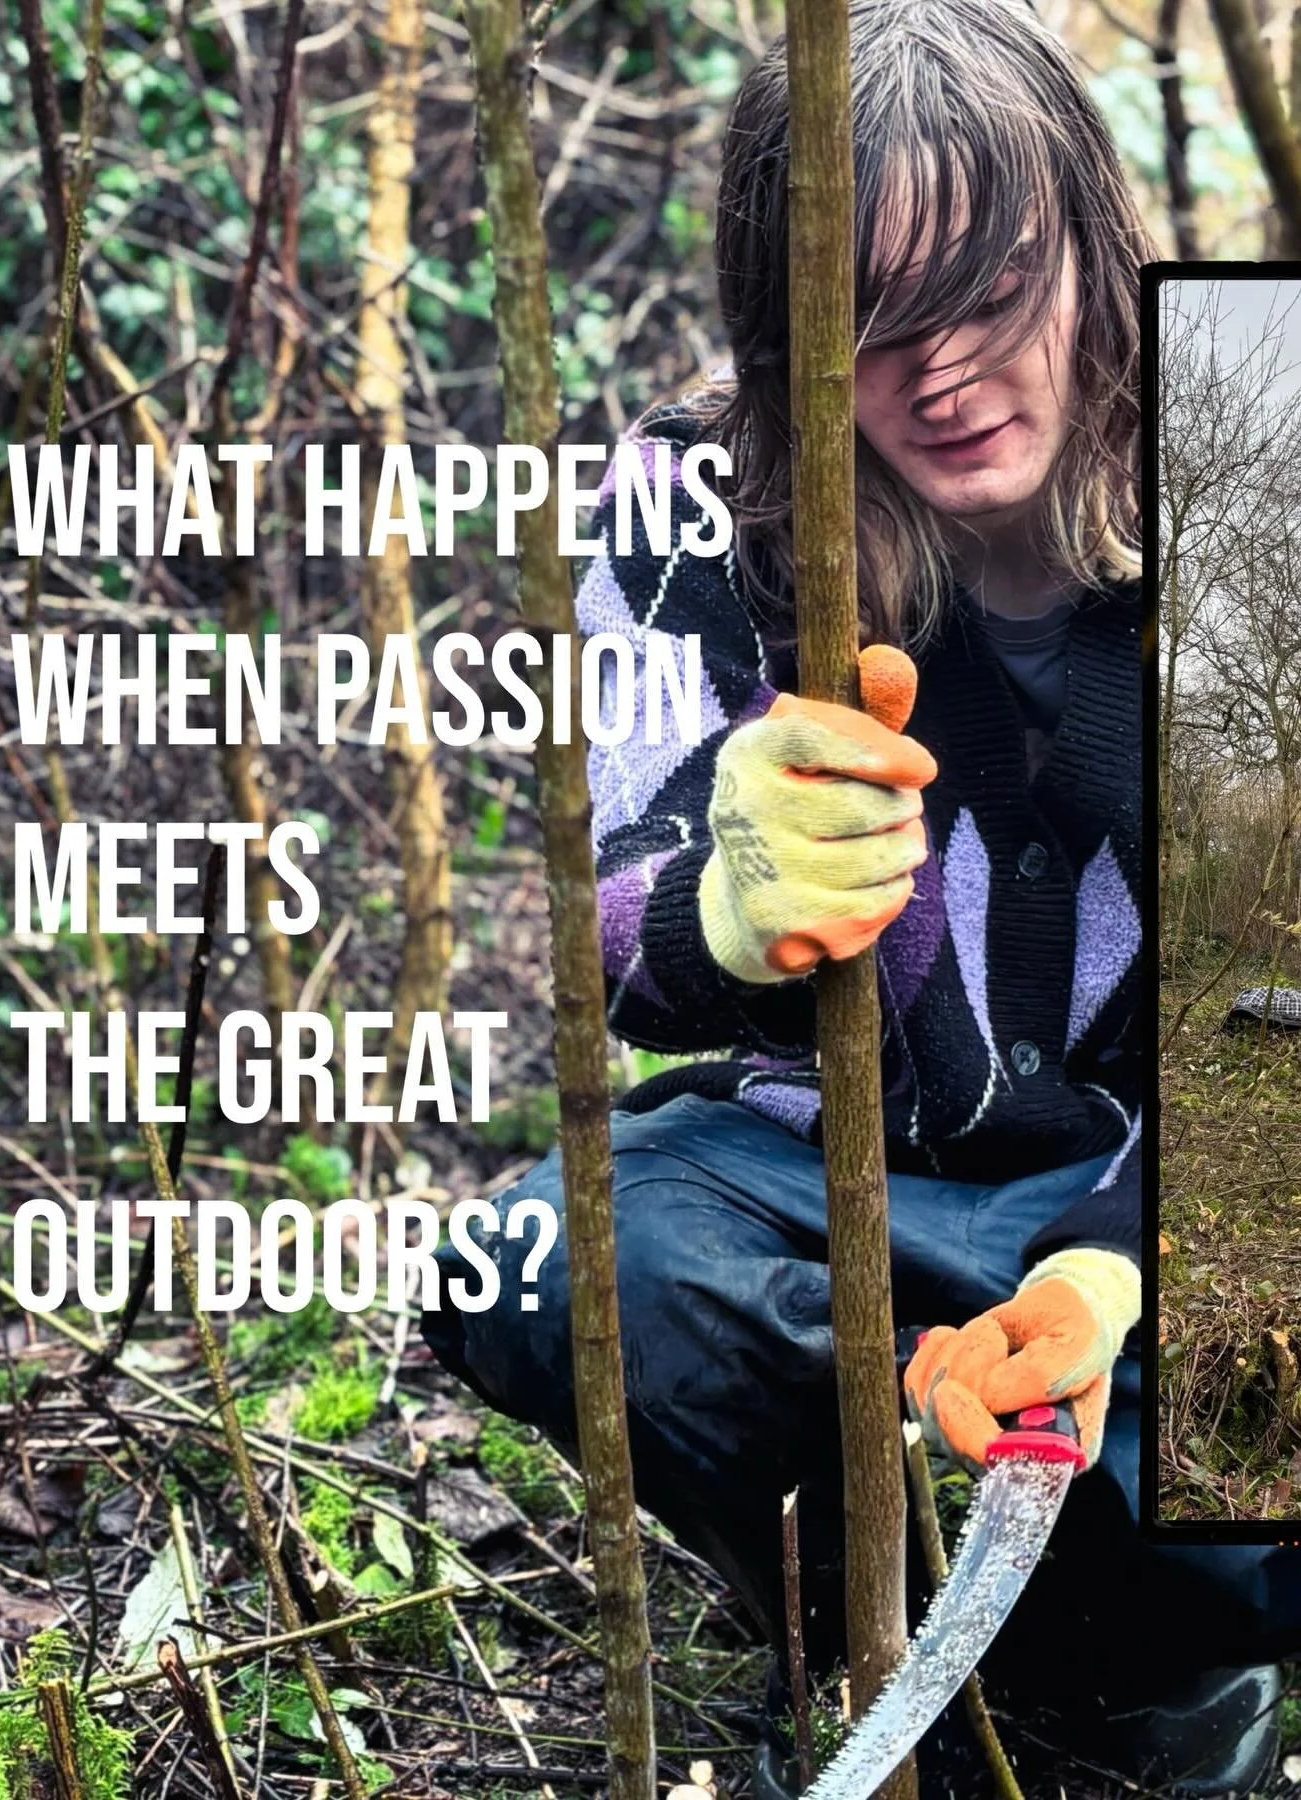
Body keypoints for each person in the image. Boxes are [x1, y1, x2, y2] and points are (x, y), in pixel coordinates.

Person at [425, 4, 1298, 1793]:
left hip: (1175, 1199)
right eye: (873, 328)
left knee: (1258, 1469)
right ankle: (879, 1576)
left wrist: (1126, 1269)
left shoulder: (1255, 439)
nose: (948, 374)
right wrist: (716, 901)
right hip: (850, 1189)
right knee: (529, 1262)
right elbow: (611, 924)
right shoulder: (700, 490)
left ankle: (1157, 1670)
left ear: (1090, 231)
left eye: (990, 292)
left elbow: (1270, 1026)